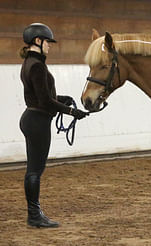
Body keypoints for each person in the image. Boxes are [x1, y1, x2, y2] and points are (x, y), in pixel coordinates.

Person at [19, 23, 89, 228]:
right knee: (35, 170)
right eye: (48, 42)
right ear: (38, 41)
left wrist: (62, 98)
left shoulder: (30, 63)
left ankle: (34, 213)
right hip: (38, 121)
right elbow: (45, 102)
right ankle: (34, 216)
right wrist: (71, 111)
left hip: (32, 118)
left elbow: (43, 96)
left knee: (33, 169)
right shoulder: (38, 66)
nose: (49, 46)